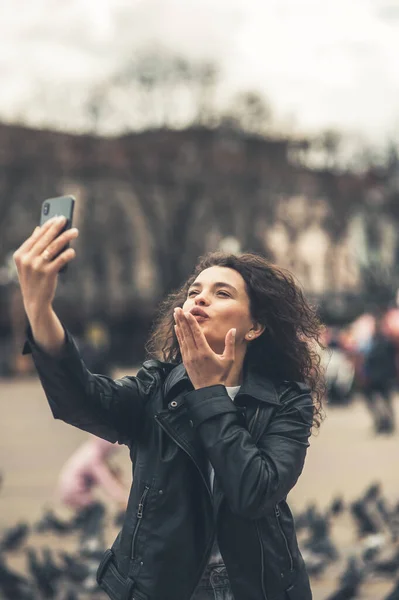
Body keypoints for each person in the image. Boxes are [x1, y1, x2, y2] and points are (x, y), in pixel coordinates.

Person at [14, 216, 325, 600]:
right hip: (165, 587)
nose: (199, 299)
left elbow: (254, 492)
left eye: (222, 293)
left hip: (256, 586)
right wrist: (39, 308)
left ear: (254, 327)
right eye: (194, 291)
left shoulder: (286, 398)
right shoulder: (157, 386)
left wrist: (209, 390)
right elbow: (79, 399)